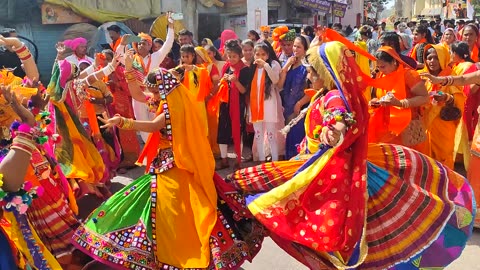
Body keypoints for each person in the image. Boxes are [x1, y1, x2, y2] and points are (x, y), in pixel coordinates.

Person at [224, 40, 474, 270]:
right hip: (315, 167)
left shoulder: (334, 97)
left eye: (313, 72)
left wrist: (334, 132)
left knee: (330, 230)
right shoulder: (323, 95)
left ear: (326, 74)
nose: (309, 76)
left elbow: (340, 118)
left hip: (332, 174)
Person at [73, 63, 263, 269]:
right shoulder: (163, 100)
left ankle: (170, 252)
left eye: (155, 91)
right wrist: (126, 67)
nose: (152, 95)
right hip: (162, 164)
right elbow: (138, 93)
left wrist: (124, 122)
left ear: (164, 88)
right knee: (157, 207)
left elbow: (155, 125)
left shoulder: (174, 105)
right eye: (152, 91)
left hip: (175, 164)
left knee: (171, 211)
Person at [115, 14, 174, 143]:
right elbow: (118, 57)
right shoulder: (132, 59)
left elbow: (168, 44)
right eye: (139, 43)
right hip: (138, 95)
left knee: (155, 120)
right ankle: (149, 150)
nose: (142, 45)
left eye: (145, 43)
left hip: (153, 94)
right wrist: (122, 44)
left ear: (150, 46)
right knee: (142, 121)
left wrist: (170, 26)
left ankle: (158, 146)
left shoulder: (156, 57)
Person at [369, 46, 429, 153]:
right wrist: (375, 102)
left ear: (394, 62)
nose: (381, 70)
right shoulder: (381, 75)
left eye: (383, 66)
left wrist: (401, 103)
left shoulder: (409, 75)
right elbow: (377, 95)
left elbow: (424, 97)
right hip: (386, 128)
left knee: (407, 162)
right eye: (378, 67)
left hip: (407, 128)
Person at [419, 44, 465, 169]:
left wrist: (446, 98)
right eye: (429, 58)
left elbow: (460, 101)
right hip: (426, 127)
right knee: (427, 161)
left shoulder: (450, 77)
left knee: (444, 159)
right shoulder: (423, 78)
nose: (432, 61)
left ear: (444, 58)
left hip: (444, 127)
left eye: (436, 58)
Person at [214, 40, 251, 169]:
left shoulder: (245, 69)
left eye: (234, 56)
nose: (231, 59)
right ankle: (224, 159)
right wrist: (222, 82)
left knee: (237, 131)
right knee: (222, 131)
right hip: (225, 103)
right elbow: (220, 85)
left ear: (239, 55)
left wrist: (235, 81)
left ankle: (237, 159)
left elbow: (244, 90)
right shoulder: (225, 67)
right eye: (229, 56)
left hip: (238, 105)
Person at [248, 42, 282, 162]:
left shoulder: (273, 64)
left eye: (263, 54)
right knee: (258, 135)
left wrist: (266, 66)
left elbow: (275, 80)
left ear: (267, 55)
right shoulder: (252, 67)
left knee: (271, 135)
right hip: (255, 105)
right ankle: (261, 160)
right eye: (257, 54)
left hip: (268, 105)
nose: (260, 57)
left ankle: (275, 160)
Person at [277, 36, 309, 159]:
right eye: (294, 46)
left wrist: (300, 104)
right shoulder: (290, 63)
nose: (295, 49)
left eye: (298, 47)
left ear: (305, 49)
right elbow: (280, 85)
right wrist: (286, 67)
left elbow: (311, 90)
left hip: (300, 108)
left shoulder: (307, 67)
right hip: (287, 105)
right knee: (289, 136)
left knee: (297, 137)